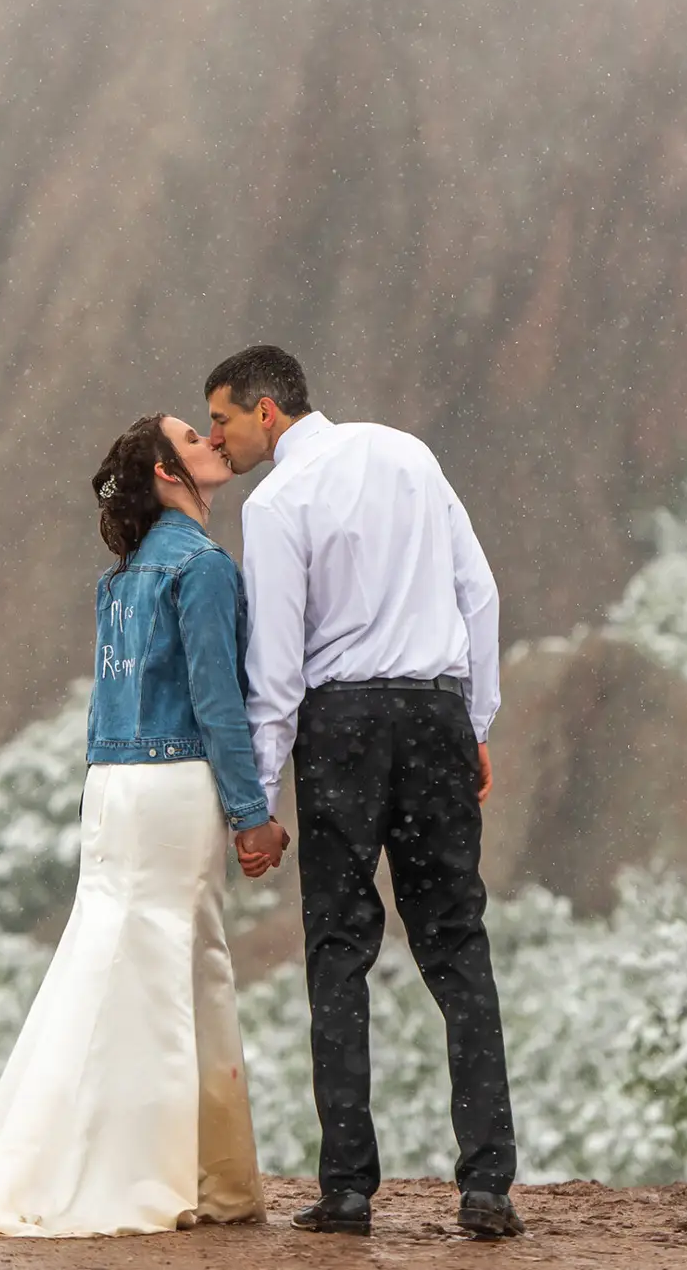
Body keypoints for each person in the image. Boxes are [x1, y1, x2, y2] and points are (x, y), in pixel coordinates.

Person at [0, 414, 269, 1236]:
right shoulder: (200, 569)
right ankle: (160, 1175)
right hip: (171, 784)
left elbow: (110, 701)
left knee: (117, 959)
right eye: (193, 436)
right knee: (173, 967)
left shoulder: (122, 580)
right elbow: (218, 703)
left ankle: (199, 1177)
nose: (210, 439)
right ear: (171, 474)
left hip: (111, 785)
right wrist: (252, 810)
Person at [202, 344, 522, 1241]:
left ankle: (347, 1189)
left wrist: (258, 804)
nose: (219, 438)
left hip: (340, 728)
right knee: (457, 945)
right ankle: (487, 1186)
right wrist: (477, 721)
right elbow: (479, 591)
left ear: (267, 412)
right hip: (433, 715)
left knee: (338, 954)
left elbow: (273, 668)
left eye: (222, 418)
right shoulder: (409, 454)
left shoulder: (276, 503)